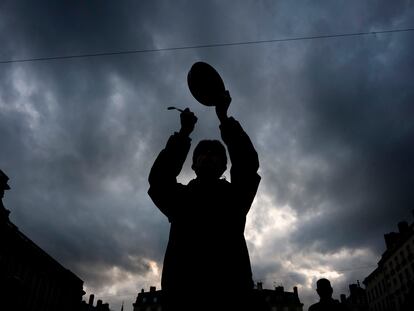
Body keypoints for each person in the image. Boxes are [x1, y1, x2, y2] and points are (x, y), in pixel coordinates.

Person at [148, 91, 260, 310]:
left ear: (224, 167)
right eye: (202, 153)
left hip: (231, 298)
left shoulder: (235, 198)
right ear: (193, 165)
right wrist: (183, 134)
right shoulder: (180, 199)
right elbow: (159, 181)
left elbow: (247, 165)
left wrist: (224, 119)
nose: (208, 155)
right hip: (182, 299)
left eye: (215, 153)